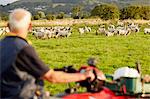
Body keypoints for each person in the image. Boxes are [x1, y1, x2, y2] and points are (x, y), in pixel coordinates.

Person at [0, 8, 95, 99]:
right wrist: (83, 76)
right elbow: (51, 77)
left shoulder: (2, 44)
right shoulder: (23, 48)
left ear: (8, 26)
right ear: (30, 26)